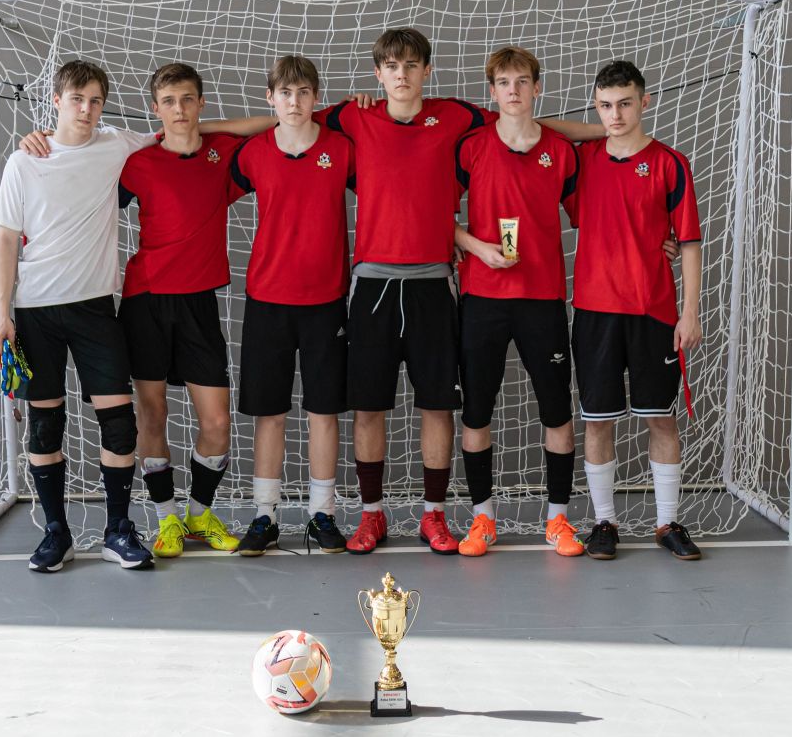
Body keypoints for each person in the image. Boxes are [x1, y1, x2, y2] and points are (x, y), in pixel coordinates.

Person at [208, 27, 602, 555]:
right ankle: (371, 516)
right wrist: (192, 126)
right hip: (371, 282)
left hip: (433, 283)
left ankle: (433, 515)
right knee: (368, 408)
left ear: (426, 71)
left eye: (411, 65)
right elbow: (286, 119)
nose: (401, 74)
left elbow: (523, 122)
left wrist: (602, 131)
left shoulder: (456, 117)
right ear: (378, 73)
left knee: (436, 406)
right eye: (391, 66)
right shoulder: (354, 117)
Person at [0, 60, 155, 572]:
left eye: (95, 101)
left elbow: (182, 129)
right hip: (35, 310)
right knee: (45, 427)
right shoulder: (24, 161)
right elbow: (5, 239)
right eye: (77, 99)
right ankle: (56, 534)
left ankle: (117, 531)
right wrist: (0, 313)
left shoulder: (115, 145)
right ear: (57, 101)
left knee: (120, 424)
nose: (86, 109)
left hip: (95, 308)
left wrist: (282, 120)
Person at [452, 46, 583, 557]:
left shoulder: (562, 152)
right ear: (492, 91)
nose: (513, 90)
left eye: (522, 81)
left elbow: (593, 216)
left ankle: (558, 520)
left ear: (536, 88)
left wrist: (654, 237)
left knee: (556, 410)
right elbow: (437, 215)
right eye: (504, 82)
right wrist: (477, 247)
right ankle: (483, 519)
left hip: (542, 299)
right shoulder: (471, 148)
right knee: (476, 410)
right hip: (482, 298)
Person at [572, 60, 704, 561]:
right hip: (595, 311)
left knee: (661, 420)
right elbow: (537, 129)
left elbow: (687, 242)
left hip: (653, 311)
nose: (615, 114)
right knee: (597, 422)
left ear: (644, 102)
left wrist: (690, 312)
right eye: (605, 105)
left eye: (625, 103)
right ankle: (604, 522)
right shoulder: (582, 160)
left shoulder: (670, 163)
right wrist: (598, 130)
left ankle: (667, 522)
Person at [116, 63, 246, 558]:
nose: (179, 109)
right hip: (145, 299)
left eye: (188, 99)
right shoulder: (138, 162)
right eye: (169, 101)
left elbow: (275, 125)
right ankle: (166, 518)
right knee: (153, 413)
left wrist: (205, 128)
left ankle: (199, 515)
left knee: (216, 422)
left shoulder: (222, 153)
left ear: (201, 103)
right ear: (155, 108)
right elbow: (82, 188)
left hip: (199, 303)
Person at [228, 56, 354, 556]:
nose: (294, 101)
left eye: (303, 92)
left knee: (324, 411)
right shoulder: (253, 153)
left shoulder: (342, 148)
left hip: (327, 300)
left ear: (316, 98)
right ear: (270, 99)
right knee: (270, 414)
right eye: (285, 93)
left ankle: (323, 514)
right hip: (267, 300)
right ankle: (265, 516)